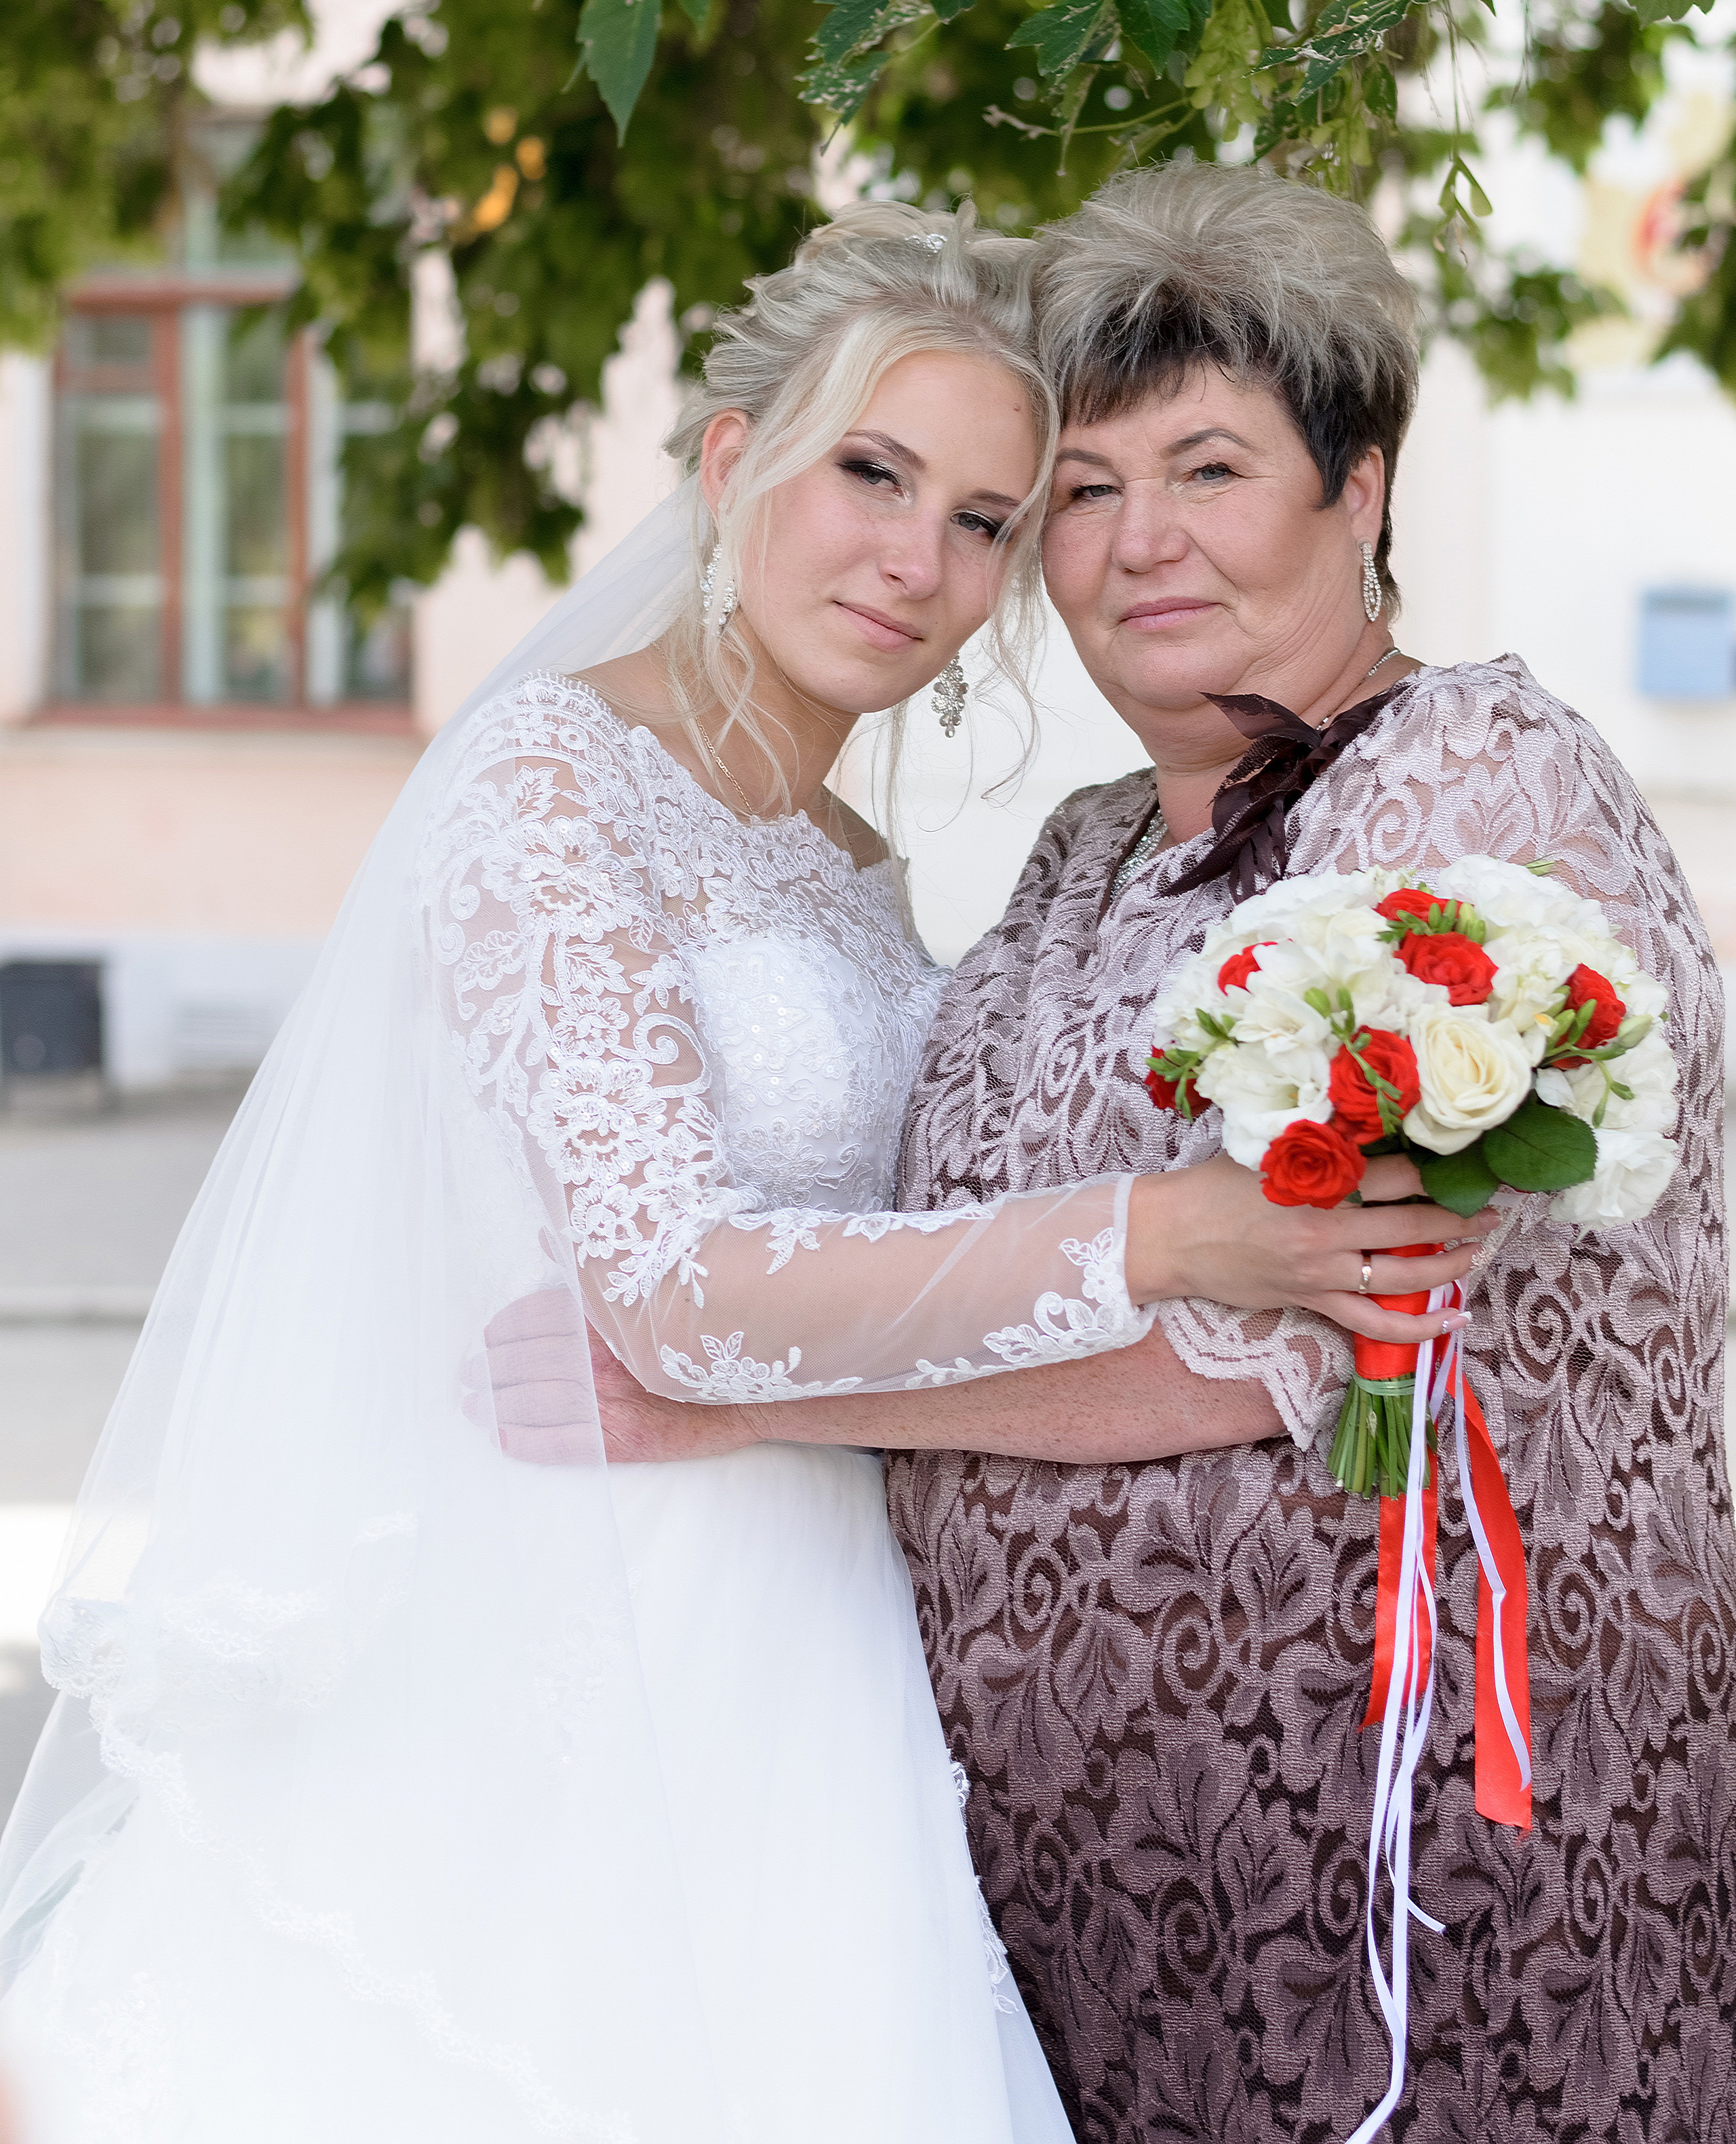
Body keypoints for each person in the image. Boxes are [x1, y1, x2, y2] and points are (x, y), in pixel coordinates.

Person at [0, 201, 1476, 2144]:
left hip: (814, 1636)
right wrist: (1167, 1234)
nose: (915, 560)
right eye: (873, 471)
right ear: (730, 462)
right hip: (571, 1608)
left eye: (980, 518)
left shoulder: (866, 883)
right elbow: (677, 1287)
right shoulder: (551, 784)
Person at [593, 165, 1736, 2142]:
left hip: (1412, 1883)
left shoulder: (1471, 777)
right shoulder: (1079, 855)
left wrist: (741, 1396)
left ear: (1358, 490)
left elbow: (1293, 1338)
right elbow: (971, 1249)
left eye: (1208, 466)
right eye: (1085, 494)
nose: (1138, 545)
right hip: (1081, 1920)